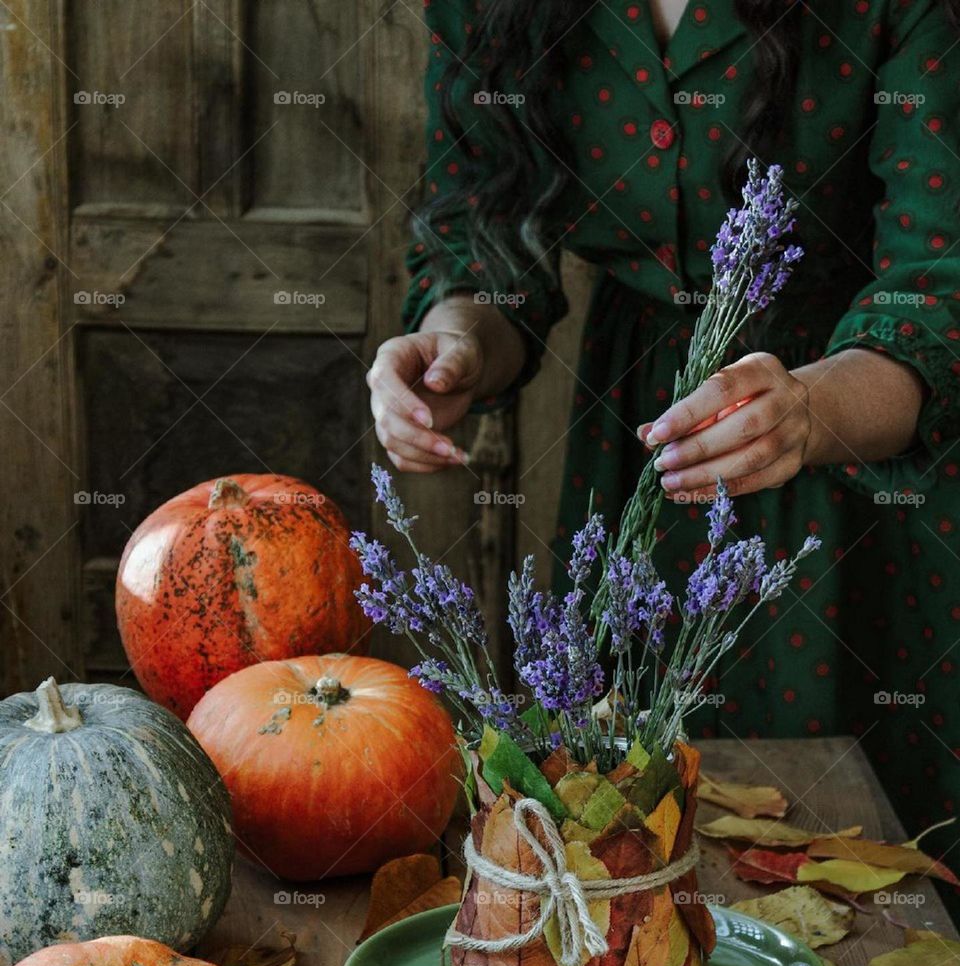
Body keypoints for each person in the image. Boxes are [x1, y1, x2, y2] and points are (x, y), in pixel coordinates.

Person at [367, 0, 960, 861]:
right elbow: (484, 237)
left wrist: (809, 409)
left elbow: (941, 284)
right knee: (627, 829)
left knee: (859, 853)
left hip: (866, 435)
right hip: (635, 437)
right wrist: (457, 341)